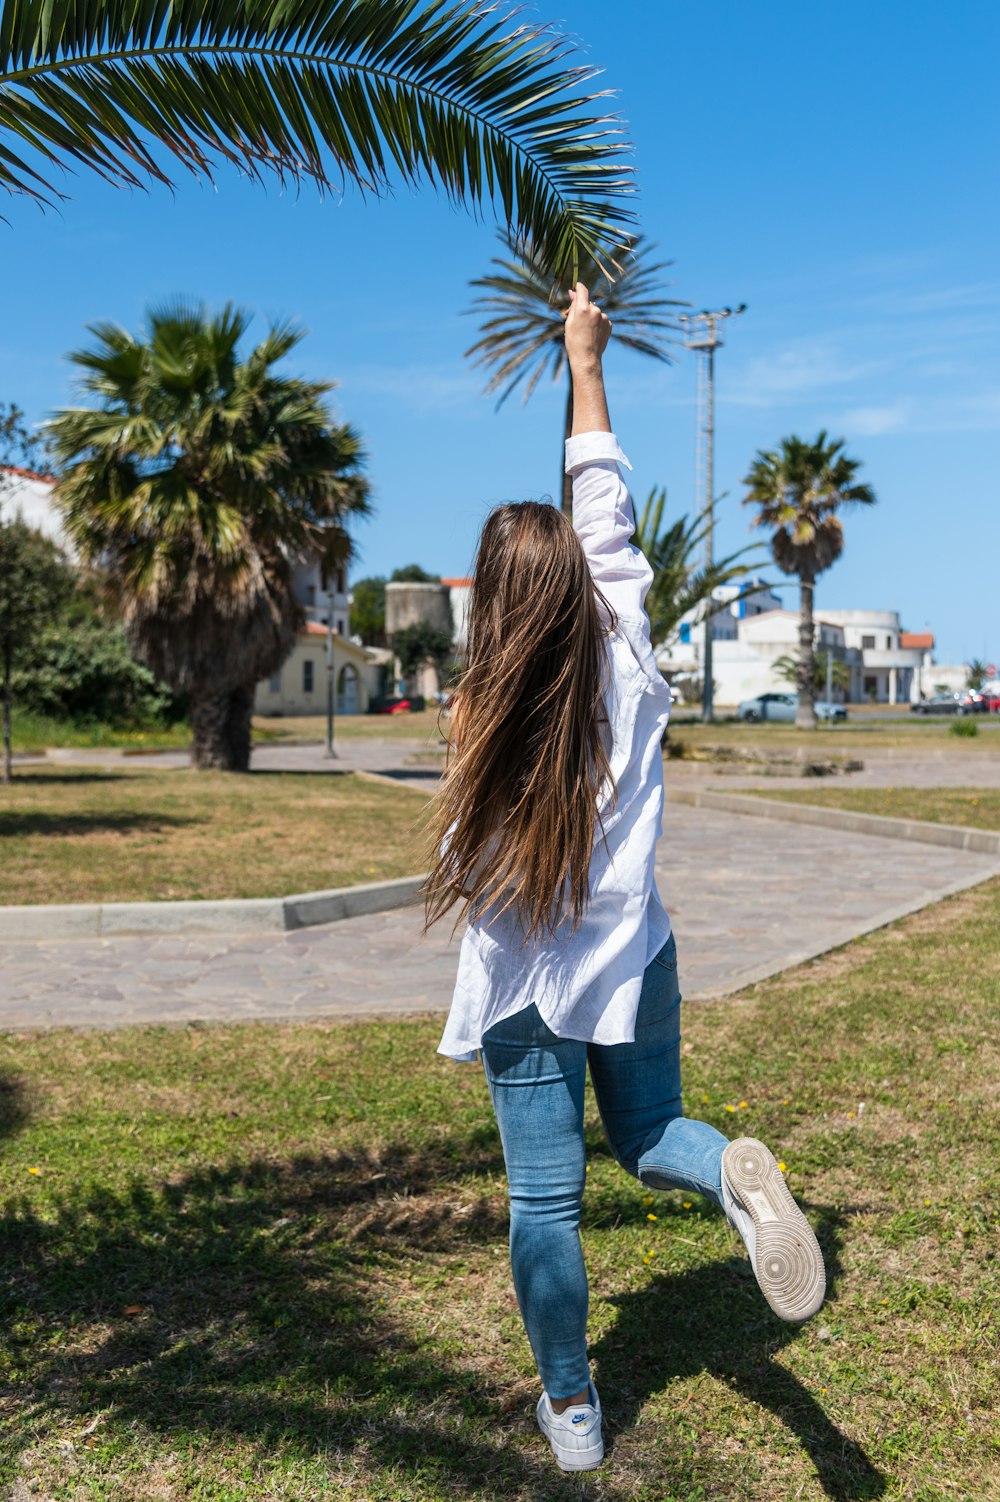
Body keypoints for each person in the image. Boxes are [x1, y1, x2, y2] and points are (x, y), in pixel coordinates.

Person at [422, 283, 826, 1474]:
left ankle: (574, 1406)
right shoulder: (632, 656)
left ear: (491, 604)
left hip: (528, 994)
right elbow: (600, 494)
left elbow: (463, 871)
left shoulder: (478, 725)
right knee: (650, 1128)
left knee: (545, 1207)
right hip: (636, 958)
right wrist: (581, 354)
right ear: (581, 594)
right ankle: (728, 1170)